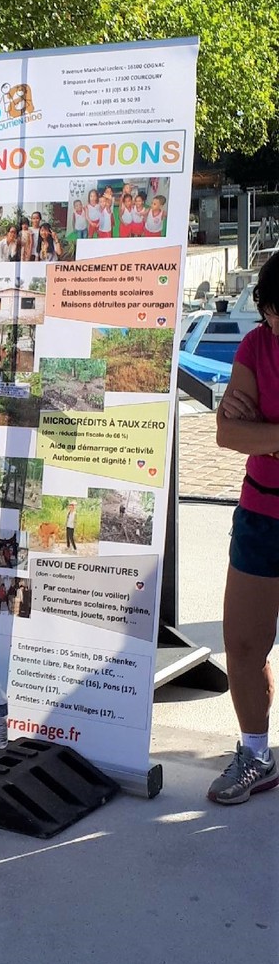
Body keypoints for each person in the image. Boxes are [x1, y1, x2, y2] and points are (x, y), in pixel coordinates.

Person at [209, 251, 279, 804]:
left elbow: (248, 430)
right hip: (260, 515)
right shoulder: (256, 345)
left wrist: (266, 431)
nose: (274, 325)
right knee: (243, 643)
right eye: (270, 314)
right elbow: (228, 434)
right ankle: (256, 753)